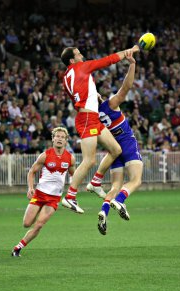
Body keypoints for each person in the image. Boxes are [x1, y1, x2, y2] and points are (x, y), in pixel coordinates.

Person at [60, 44, 140, 214]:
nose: (82, 55)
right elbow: (107, 60)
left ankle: (95, 182)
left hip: (90, 117)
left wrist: (91, 95)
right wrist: (128, 52)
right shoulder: (81, 66)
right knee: (89, 161)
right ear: (73, 60)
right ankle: (70, 196)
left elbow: (77, 94)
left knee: (116, 149)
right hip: (88, 118)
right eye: (79, 54)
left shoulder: (66, 76)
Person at [85, 51, 143, 235]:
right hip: (127, 144)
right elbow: (126, 88)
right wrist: (132, 65)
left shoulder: (93, 117)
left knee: (115, 185)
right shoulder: (110, 105)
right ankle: (120, 200)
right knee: (135, 180)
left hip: (113, 153)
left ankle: (104, 210)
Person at [11, 127, 76, 257]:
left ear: (66, 141)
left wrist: (72, 193)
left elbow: (74, 176)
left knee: (39, 225)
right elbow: (32, 172)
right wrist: (30, 188)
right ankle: (38, 211)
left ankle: (18, 248)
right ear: (53, 139)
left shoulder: (70, 158)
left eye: (62, 137)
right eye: (57, 136)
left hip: (54, 199)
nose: (59, 139)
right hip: (40, 195)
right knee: (26, 223)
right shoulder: (45, 155)